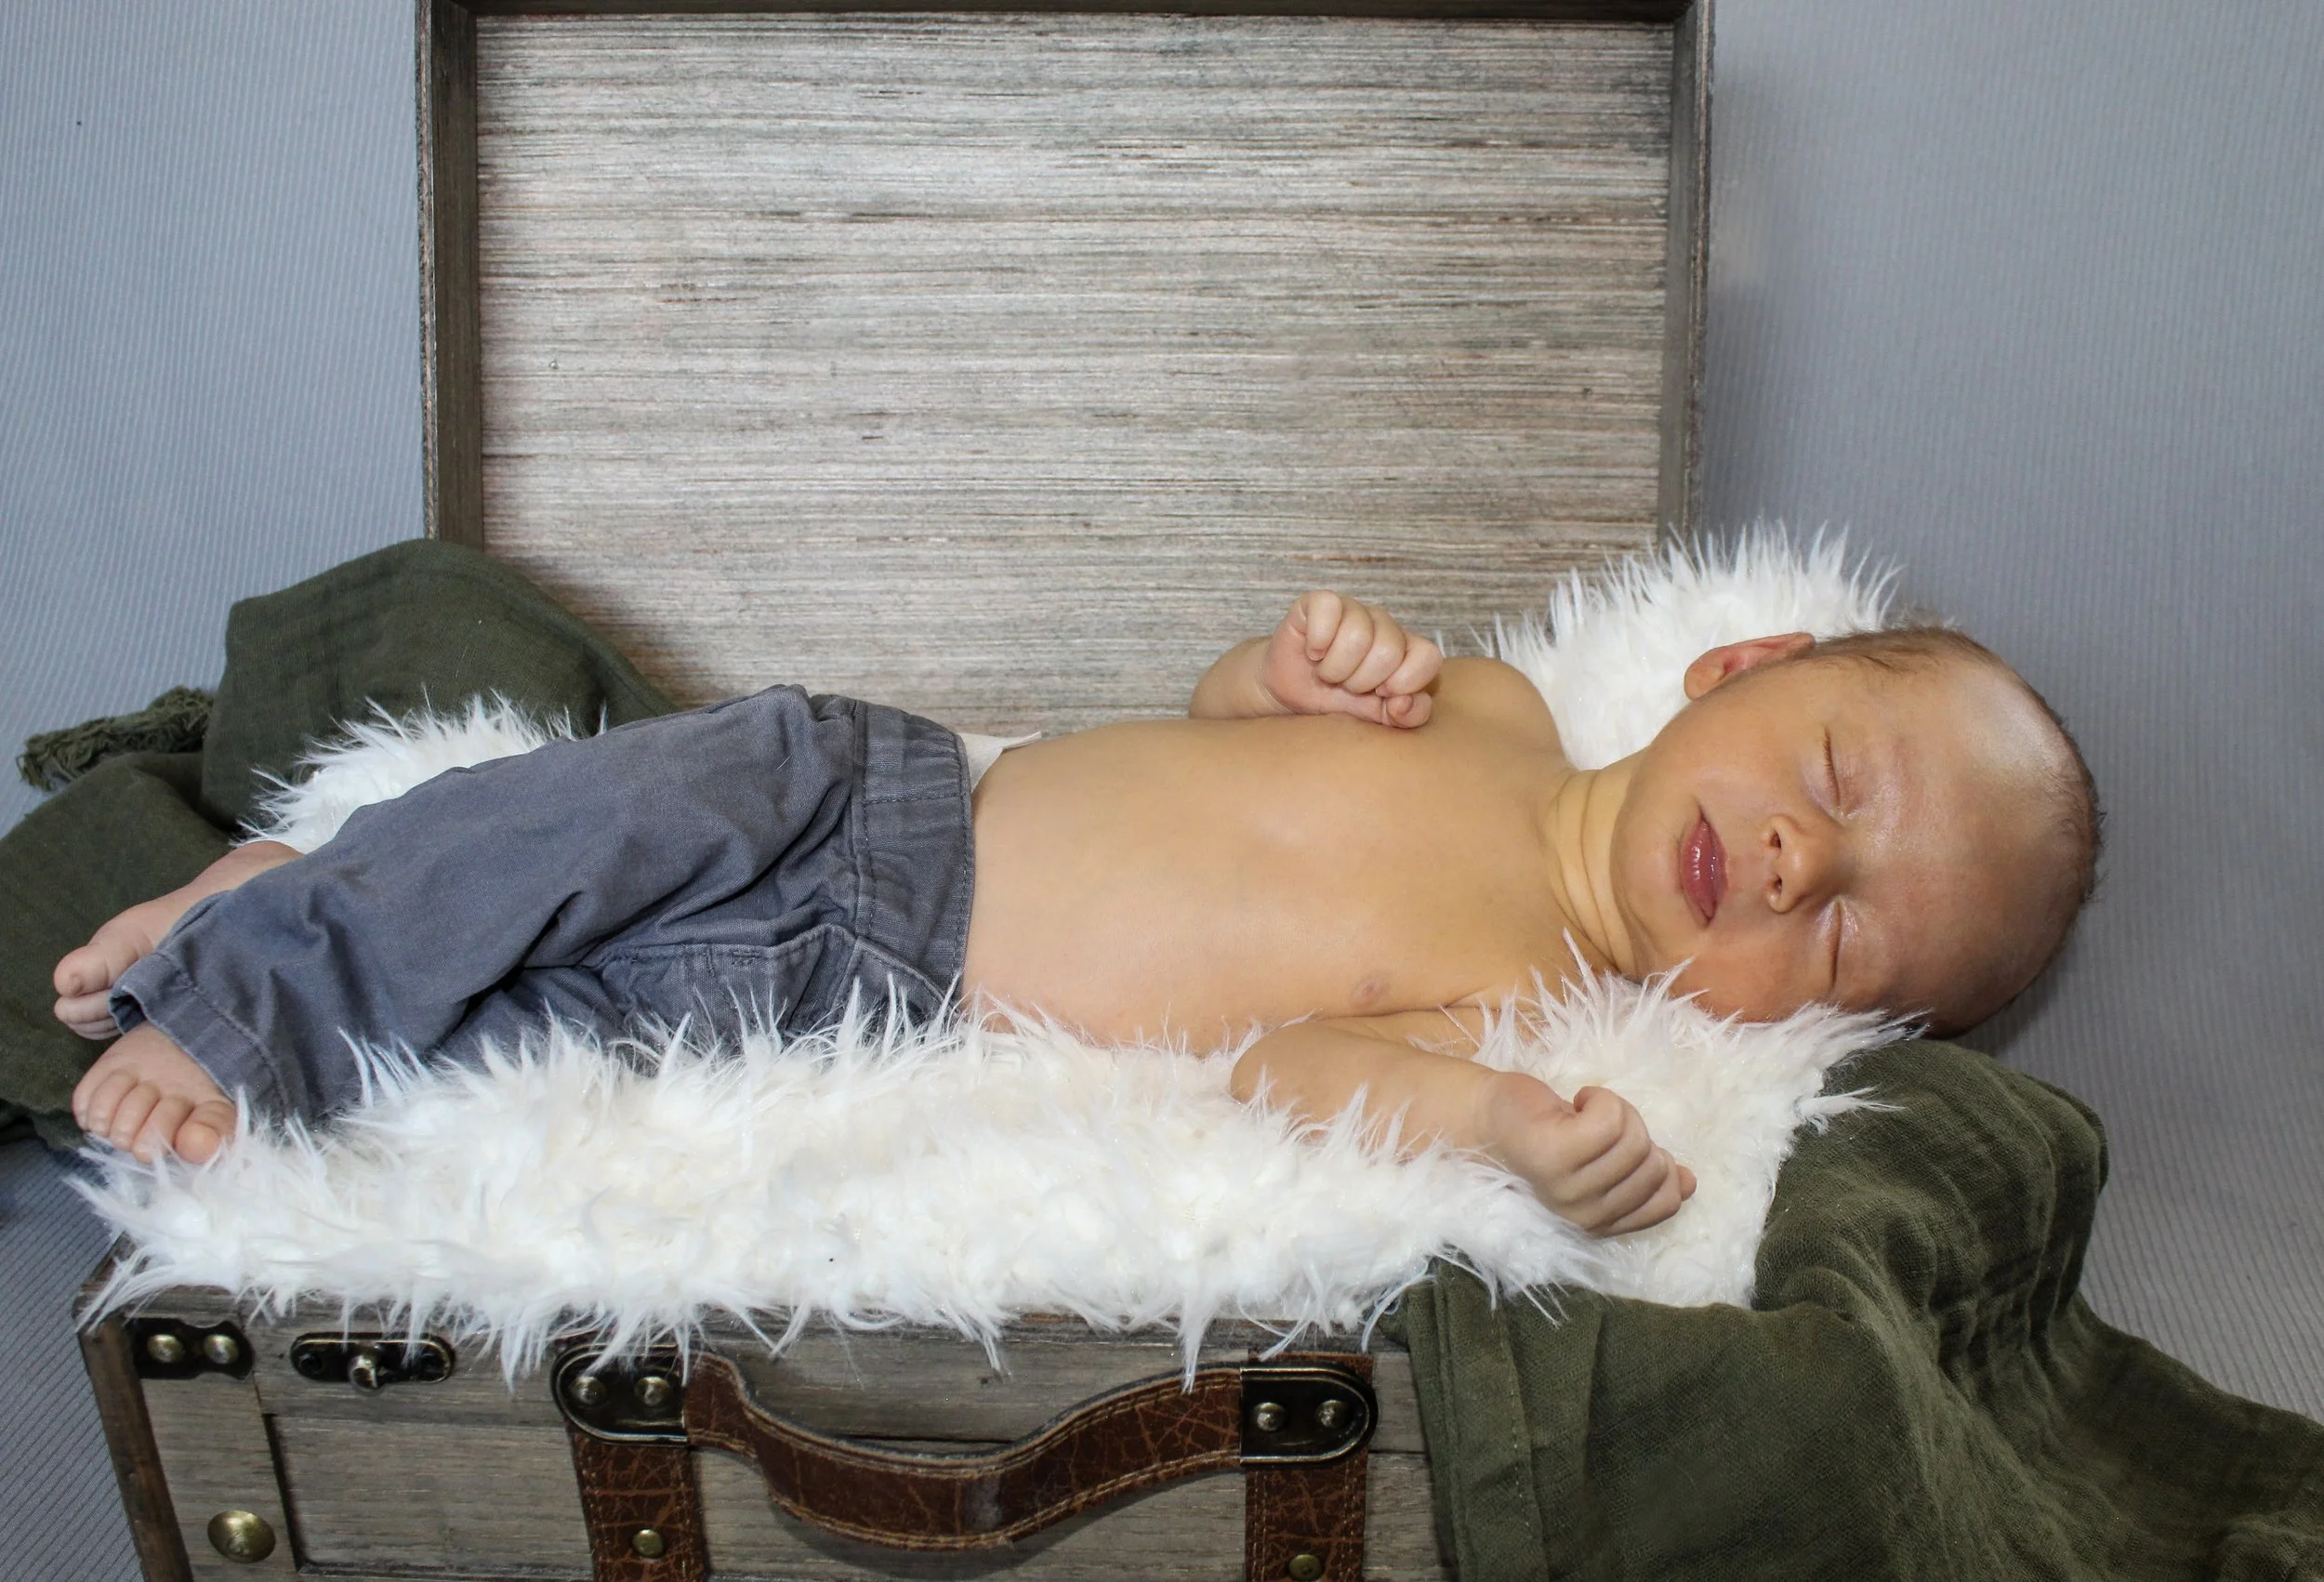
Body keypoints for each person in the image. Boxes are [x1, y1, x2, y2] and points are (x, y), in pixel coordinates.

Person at [56, 591, 2099, 1238]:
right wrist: (1290, 664)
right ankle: (267, 963)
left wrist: (1491, 1128)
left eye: (1836, 942)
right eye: (1827, 784)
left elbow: (1293, 1067)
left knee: (534, 1031)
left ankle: (306, 897)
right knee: (585, 810)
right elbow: (1207, 720)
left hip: (869, 984)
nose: (1785, 865)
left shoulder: (1524, 1001)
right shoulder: (1482, 704)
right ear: (1742, 660)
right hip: (885, 784)